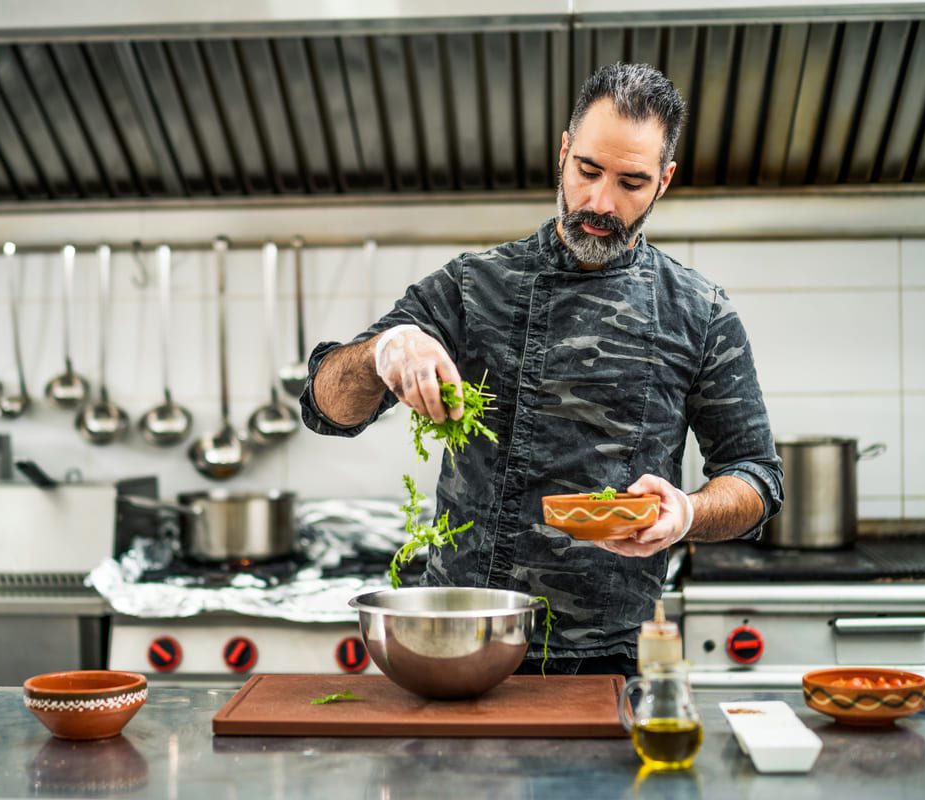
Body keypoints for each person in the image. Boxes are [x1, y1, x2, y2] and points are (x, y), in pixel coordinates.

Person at [300, 62, 783, 677]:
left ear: (664, 181)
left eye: (631, 182)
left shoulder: (700, 312)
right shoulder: (474, 287)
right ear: (563, 153)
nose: (600, 202)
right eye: (587, 171)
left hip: (611, 657)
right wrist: (383, 351)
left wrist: (686, 513)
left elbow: (756, 477)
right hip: (461, 641)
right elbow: (327, 410)